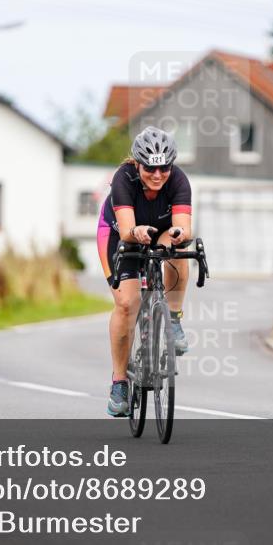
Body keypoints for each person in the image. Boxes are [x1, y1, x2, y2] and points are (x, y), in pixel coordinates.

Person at [96, 126, 192, 417]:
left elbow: (183, 226)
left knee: (178, 249)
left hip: (160, 231)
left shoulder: (179, 180)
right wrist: (135, 232)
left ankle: (173, 318)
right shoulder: (123, 178)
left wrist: (178, 234)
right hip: (119, 234)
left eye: (164, 168)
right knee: (128, 304)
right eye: (150, 168)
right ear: (138, 164)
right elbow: (128, 230)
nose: (158, 175)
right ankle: (119, 383)